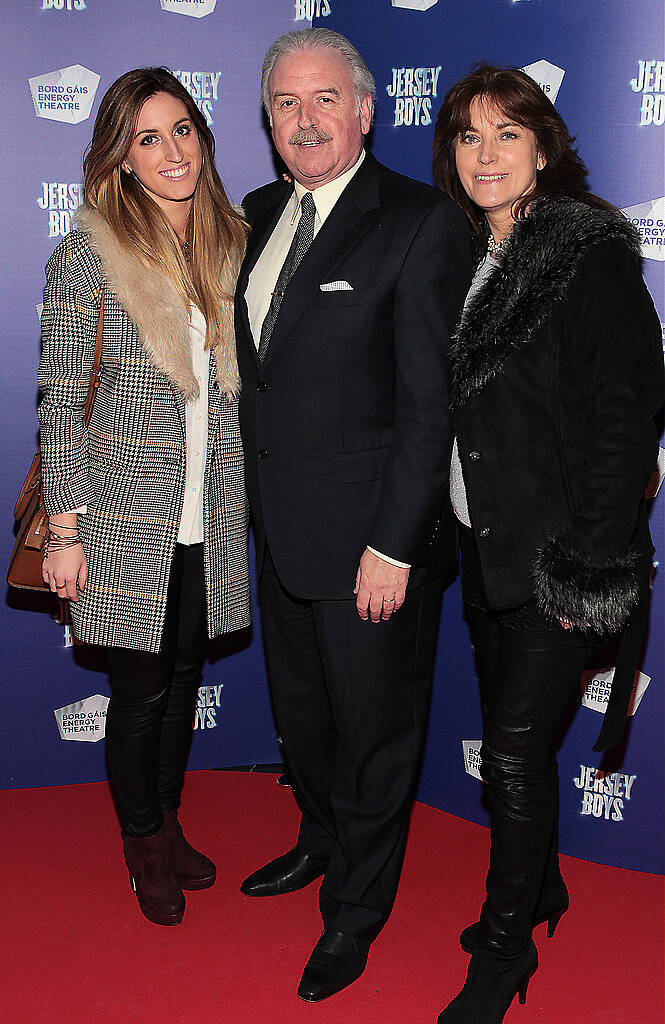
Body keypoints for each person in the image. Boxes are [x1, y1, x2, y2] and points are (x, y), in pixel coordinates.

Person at [235, 28, 472, 1002]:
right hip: (281, 534)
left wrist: (392, 544)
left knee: (374, 737)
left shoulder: (419, 222)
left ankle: (355, 911)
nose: (305, 119)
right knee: (305, 722)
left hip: (373, 548)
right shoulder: (253, 213)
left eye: (323, 99)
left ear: (365, 111)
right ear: (267, 118)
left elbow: (430, 406)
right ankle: (318, 842)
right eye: (285, 103)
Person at [431, 65, 663, 1023]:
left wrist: (589, 562)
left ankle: (503, 945)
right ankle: (546, 888)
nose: (485, 156)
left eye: (506, 136)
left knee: (518, 758)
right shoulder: (462, 250)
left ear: (543, 148)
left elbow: (627, 414)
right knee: (511, 743)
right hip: (483, 545)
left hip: (553, 557)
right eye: (468, 137)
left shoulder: (585, 250)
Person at [38, 67, 250, 927]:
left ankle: (165, 819)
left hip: (210, 506)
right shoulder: (88, 249)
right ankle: (143, 844)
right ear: (121, 159)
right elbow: (60, 396)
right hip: (121, 517)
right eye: (148, 139)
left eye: (183, 129)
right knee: (142, 687)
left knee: (186, 671)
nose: (172, 152)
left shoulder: (227, 241)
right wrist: (64, 530)